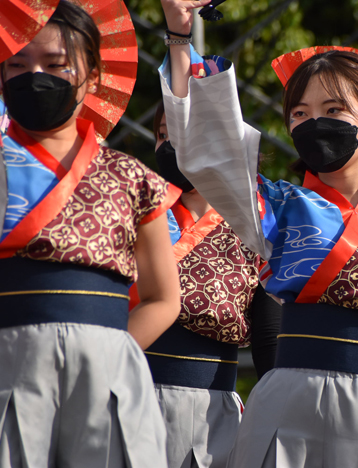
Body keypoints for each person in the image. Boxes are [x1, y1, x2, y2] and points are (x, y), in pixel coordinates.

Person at [157, 1, 358, 466]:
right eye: (299, 113)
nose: (314, 122)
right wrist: (179, 35)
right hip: (284, 398)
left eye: (333, 108)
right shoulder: (273, 205)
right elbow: (197, 145)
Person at [0, 1, 181, 465]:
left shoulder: (134, 177)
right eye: (16, 65)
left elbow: (163, 297)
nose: (34, 75)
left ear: (93, 75)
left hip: (110, 371)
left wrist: (111, 348)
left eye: (56, 65)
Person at [137, 102, 281, 468]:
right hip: (127, 393)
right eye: (162, 135)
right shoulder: (134, 207)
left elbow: (268, 340)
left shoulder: (260, 226)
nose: (168, 145)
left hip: (212, 413)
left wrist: (282, 415)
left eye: (181, 134)